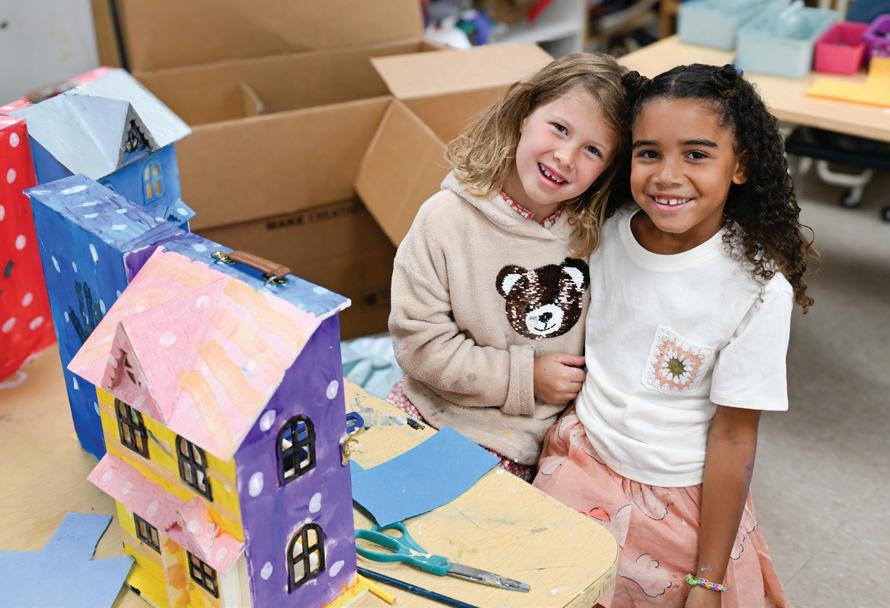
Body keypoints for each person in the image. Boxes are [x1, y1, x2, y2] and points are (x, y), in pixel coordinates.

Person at [533, 64, 816, 607]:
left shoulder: (758, 289)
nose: (667, 175)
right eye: (649, 153)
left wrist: (708, 580)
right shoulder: (603, 233)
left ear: (740, 165)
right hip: (579, 461)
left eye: (696, 154)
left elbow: (734, 439)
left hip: (680, 497)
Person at [387, 53, 628, 481]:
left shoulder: (600, 237)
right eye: (559, 128)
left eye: (592, 150)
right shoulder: (444, 219)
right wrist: (525, 377)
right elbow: (419, 347)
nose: (566, 157)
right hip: (432, 415)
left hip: (536, 442)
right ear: (523, 115)